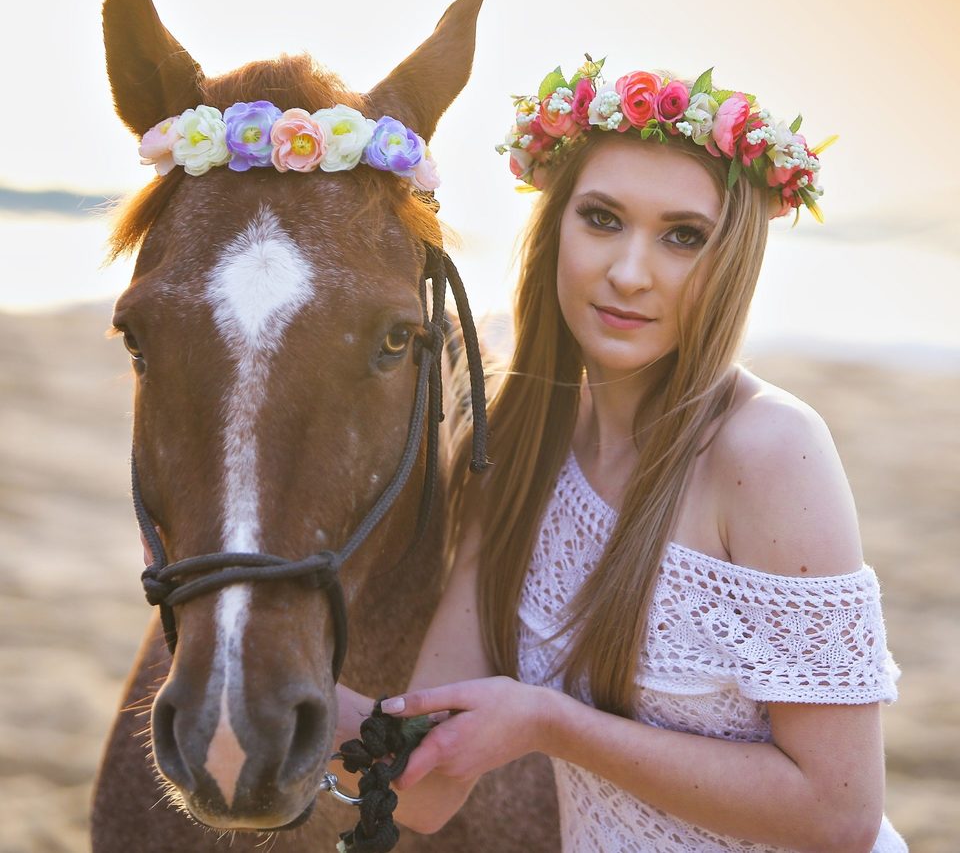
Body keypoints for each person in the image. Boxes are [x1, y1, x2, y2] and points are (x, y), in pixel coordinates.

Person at [334, 58, 907, 852]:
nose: (630, 273)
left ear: (731, 261)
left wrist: (551, 725)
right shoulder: (519, 455)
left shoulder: (769, 451)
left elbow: (838, 815)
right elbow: (427, 790)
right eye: (602, 219)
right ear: (555, 230)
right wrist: (273, 692)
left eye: (682, 236)